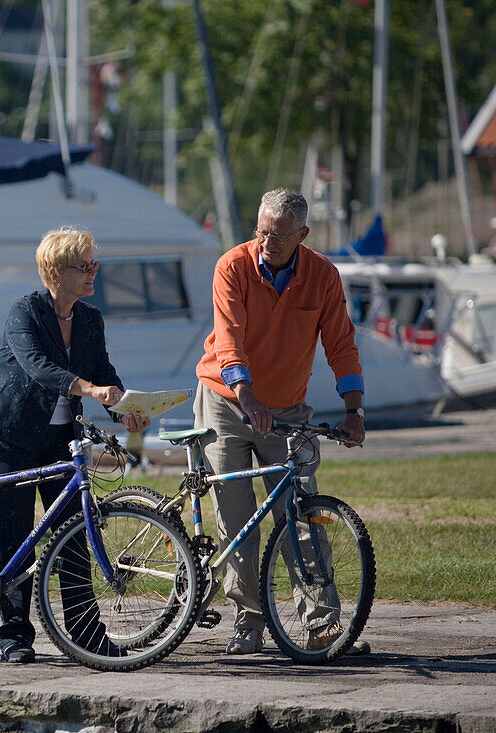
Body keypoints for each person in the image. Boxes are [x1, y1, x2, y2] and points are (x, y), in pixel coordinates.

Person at [194, 188, 370, 656]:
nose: (266, 242)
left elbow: (341, 344)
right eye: (261, 231)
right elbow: (228, 338)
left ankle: (322, 625)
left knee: (303, 517)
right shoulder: (232, 265)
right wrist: (246, 395)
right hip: (226, 401)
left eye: (277, 235)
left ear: (303, 235)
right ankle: (248, 623)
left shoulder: (322, 276)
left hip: (287, 409)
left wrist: (354, 410)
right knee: (238, 521)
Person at [0, 226, 150, 663]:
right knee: (18, 536)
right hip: (15, 437)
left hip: (62, 441)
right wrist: (89, 390)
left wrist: (125, 407)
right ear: (55, 272)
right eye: (84, 265)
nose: (94, 271)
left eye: (94, 263)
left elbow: (104, 371)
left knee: (74, 536)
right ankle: (14, 634)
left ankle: (86, 635)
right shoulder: (25, 312)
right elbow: (38, 367)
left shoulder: (91, 319)